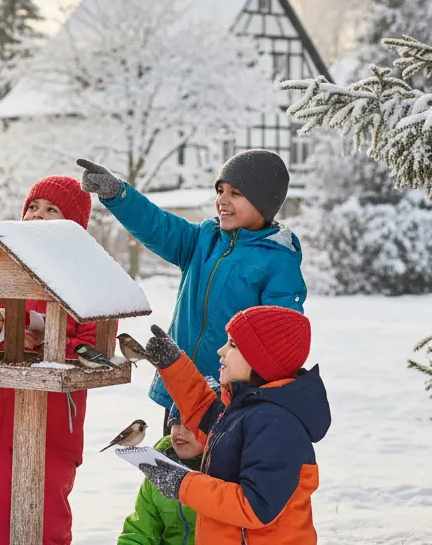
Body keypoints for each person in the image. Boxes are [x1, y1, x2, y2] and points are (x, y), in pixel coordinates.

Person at [76, 151, 307, 412]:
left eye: (235, 193)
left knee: (216, 455)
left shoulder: (277, 262)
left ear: (263, 202)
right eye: (220, 190)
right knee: (170, 452)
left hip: (231, 400)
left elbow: (280, 340)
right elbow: (157, 225)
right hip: (180, 385)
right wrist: (117, 194)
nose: (222, 200)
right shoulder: (203, 239)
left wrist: (253, 393)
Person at [0, 176, 95, 545]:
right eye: (33, 207)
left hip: (52, 423)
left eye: (53, 210)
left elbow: (94, 345)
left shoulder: (87, 278)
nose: (38, 216)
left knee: (46, 524)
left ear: (75, 225)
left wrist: (46, 340)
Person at [137, 306, 330, 544]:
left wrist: (183, 484)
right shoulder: (250, 407)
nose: (221, 350)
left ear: (260, 359)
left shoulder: (276, 425)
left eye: (233, 345)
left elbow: (253, 506)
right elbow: (205, 412)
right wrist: (173, 365)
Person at [117, 403, 206, 545]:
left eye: (191, 424)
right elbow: (141, 530)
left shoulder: (227, 472)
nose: (180, 432)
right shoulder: (159, 468)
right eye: (176, 423)